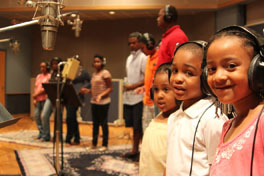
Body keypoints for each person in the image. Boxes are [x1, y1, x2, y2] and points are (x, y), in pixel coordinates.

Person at [206, 26, 264, 176]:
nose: (218, 76)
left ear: (257, 69)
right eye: (212, 69)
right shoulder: (228, 126)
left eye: (231, 66)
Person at [166, 41, 227, 176]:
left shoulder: (213, 120)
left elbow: (219, 169)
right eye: (175, 71)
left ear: (206, 77)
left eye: (188, 73)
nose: (177, 78)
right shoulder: (173, 117)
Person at [139, 63, 179, 176]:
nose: (159, 95)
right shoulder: (157, 118)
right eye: (156, 90)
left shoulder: (178, 123)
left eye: (166, 89)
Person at [122, 32, 147, 160]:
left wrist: (133, 86)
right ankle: (134, 150)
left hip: (139, 96)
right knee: (132, 125)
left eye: (134, 42)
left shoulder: (143, 57)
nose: (132, 45)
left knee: (139, 126)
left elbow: (146, 78)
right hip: (129, 97)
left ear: (140, 42)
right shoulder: (128, 58)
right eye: (130, 43)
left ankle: (143, 152)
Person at [80, 54, 112, 150]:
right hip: (94, 102)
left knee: (103, 123)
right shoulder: (94, 74)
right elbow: (94, 89)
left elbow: (110, 88)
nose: (96, 63)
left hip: (104, 102)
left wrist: (101, 96)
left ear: (103, 63)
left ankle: (104, 145)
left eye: (98, 61)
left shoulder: (105, 73)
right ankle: (94, 144)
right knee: (95, 124)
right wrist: (88, 91)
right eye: (95, 62)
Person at [135, 33, 158, 132]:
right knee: (146, 130)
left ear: (150, 45)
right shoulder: (148, 58)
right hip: (147, 100)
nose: (141, 51)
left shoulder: (160, 57)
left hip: (156, 102)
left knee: (156, 130)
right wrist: (144, 87)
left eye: (143, 48)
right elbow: (150, 79)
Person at [65, 56, 91, 145]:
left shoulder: (83, 71)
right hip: (69, 96)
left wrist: (83, 88)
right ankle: (77, 137)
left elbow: (90, 81)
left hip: (77, 96)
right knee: (72, 118)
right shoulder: (68, 71)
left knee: (70, 117)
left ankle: (68, 138)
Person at [40, 57, 62, 142]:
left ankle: (57, 137)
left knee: (57, 119)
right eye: (53, 64)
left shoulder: (63, 74)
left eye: (56, 63)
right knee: (44, 115)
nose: (54, 65)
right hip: (50, 98)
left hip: (58, 98)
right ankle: (46, 136)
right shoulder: (52, 74)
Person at [33, 61, 51, 139]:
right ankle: (41, 132)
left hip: (45, 99)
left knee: (44, 117)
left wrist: (36, 94)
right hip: (37, 99)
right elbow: (36, 87)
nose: (42, 68)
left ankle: (46, 135)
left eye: (43, 67)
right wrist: (34, 98)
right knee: (36, 116)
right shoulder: (38, 76)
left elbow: (46, 89)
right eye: (41, 67)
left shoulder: (49, 76)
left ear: (47, 67)